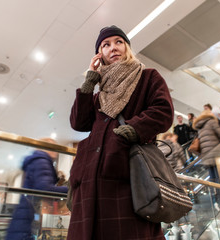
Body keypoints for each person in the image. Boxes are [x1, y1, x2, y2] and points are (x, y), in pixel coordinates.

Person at [68, 25, 173, 240]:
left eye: (118, 42)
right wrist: (89, 81)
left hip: (128, 176)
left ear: (127, 47)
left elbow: (163, 111)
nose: (113, 48)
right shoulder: (99, 95)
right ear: (99, 54)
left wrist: (133, 129)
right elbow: (79, 123)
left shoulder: (147, 77)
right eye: (105, 45)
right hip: (90, 181)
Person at [6, 138, 68, 240]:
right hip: (30, 211)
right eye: (54, 148)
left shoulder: (38, 160)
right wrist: (70, 190)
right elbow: (44, 188)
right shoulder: (42, 160)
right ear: (47, 148)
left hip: (27, 210)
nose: (56, 152)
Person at [192, 110, 220, 183]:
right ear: (208, 114)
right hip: (215, 152)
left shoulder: (200, 127)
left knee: (212, 177)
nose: (212, 113)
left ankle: (215, 193)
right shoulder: (211, 121)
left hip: (206, 154)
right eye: (210, 112)